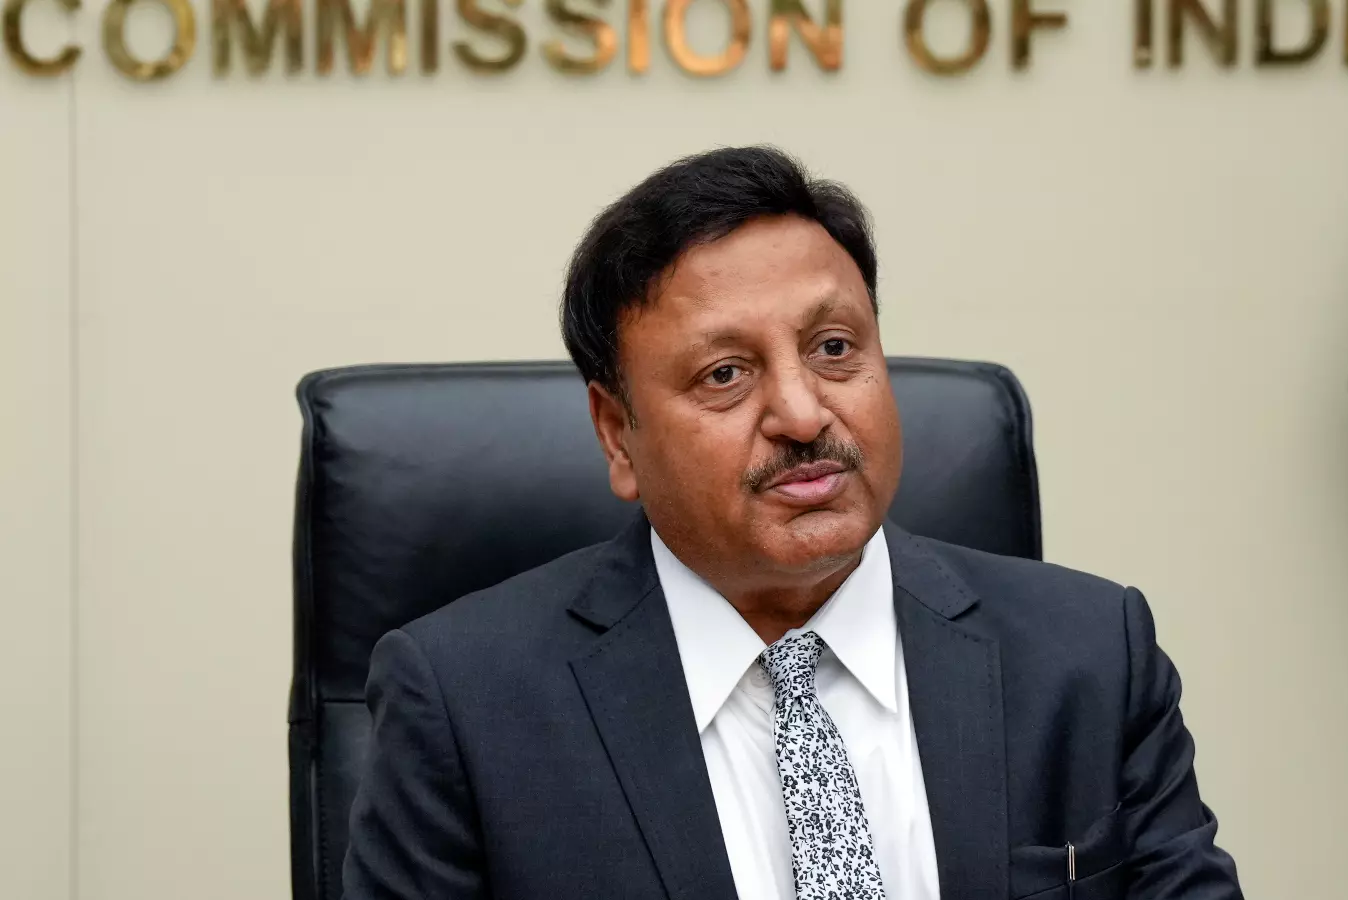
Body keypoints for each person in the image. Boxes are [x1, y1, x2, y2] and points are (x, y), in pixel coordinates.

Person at [342, 145, 1245, 900]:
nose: (804, 414)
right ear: (618, 434)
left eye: (834, 348)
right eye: (725, 374)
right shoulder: (466, 707)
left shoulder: (1090, 655)